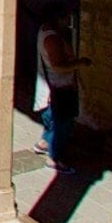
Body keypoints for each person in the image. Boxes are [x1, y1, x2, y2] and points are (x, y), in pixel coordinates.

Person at [33, 16, 85, 169]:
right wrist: (79, 63)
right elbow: (58, 65)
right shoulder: (52, 38)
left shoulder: (45, 31)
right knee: (62, 123)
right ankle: (55, 158)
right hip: (60, 86)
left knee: (51, 117)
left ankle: (44, 142)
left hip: (56, 86)